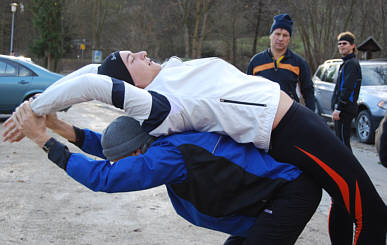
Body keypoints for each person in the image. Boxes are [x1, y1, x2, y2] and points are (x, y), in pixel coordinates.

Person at [3, 50, 386, 244]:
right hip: (290, 129)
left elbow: (95, 82)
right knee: (367, 209)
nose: (139, 53)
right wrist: (37, 113)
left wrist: (52, 122)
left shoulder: (171, 71)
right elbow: (97, 85)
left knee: (348, 201)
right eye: (131, 59)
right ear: (132, 86)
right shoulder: (159, 103)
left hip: (286, 133)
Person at [12, 103, 322, 245]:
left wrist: (43, 141)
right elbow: (109, 150)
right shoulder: (154, 140)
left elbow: (103, 177)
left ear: (136, 154)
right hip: (272, 198)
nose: (122, 167)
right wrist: (58, 127)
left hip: (291, 194)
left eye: (125, 162)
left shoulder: (168, 157)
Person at [246, 14, 315, 111]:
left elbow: (308, 92)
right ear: (270, 36)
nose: (280, 38)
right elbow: (248, 90)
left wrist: (311, 118)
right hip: (262, 115)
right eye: (277, 34)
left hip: (289, 115)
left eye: (285, 35)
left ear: (289, 39)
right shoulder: (256, 61)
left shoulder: (299, 63)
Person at [331, 32, 362, 151]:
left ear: (352, 46)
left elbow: (347, 88)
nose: (341, 46)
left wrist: (339, 108)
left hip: (345, 110)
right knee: (340, 143)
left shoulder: (351, 64)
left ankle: (350, 169)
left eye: (345, 43)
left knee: (343, 145)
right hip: (342, 109)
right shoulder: (345, 63)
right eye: (339, 44)